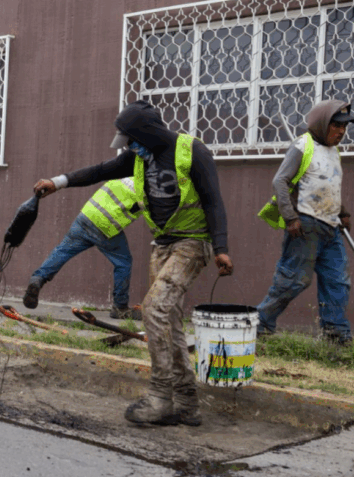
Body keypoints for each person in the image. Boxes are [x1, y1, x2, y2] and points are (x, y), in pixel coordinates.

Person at [34, 100, 233, 426]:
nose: (131, 149)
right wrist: (58, 182)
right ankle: (187, 405)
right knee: (169, 324)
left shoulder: (192, 151)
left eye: (133, 142)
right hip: (163, 247)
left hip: (193, 244)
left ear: (150, 133)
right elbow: (100, 171)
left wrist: (221, 247)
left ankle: (160, 397)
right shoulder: (140, 157)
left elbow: (213, 200)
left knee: (154, 309)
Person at [256, 101, 353, 345]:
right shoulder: (303, 145)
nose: (341, 131)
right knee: (294, 279)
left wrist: (343, 212)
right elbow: (280, 181)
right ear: (322, 123)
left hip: (331, 228)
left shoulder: (334, 152)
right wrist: (290, 217)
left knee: (337, 281)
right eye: (336, 125)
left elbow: (327, 185)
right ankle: (260, 324)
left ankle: (336, 335)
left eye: (344, 127)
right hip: (305, 225)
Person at [23, 178, 142, 320]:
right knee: (124, 262)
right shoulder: (148, 189)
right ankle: (120, 307)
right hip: (106, 226)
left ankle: (38, 278)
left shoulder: (126, 177)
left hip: (86, 216)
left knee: (63, 250)